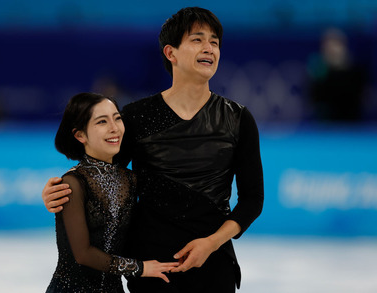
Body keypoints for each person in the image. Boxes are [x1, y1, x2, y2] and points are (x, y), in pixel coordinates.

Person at [43, 7, 264, 293]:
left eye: (215, 42)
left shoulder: (238, 118)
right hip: (150, 267)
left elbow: (252, 200)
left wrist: (211, 243)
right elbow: (106, 176)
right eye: (197, 40)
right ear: (171, 53)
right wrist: (65, 189)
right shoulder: (137, 116)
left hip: (213, 264)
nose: (209, 48)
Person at [45, 92, 179, 293]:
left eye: (117, 118)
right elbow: (83, 254)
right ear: (80, 135)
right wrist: (140, 268)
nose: (114, 128)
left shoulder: (130, 179)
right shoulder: (73, 183)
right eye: (102, 122)